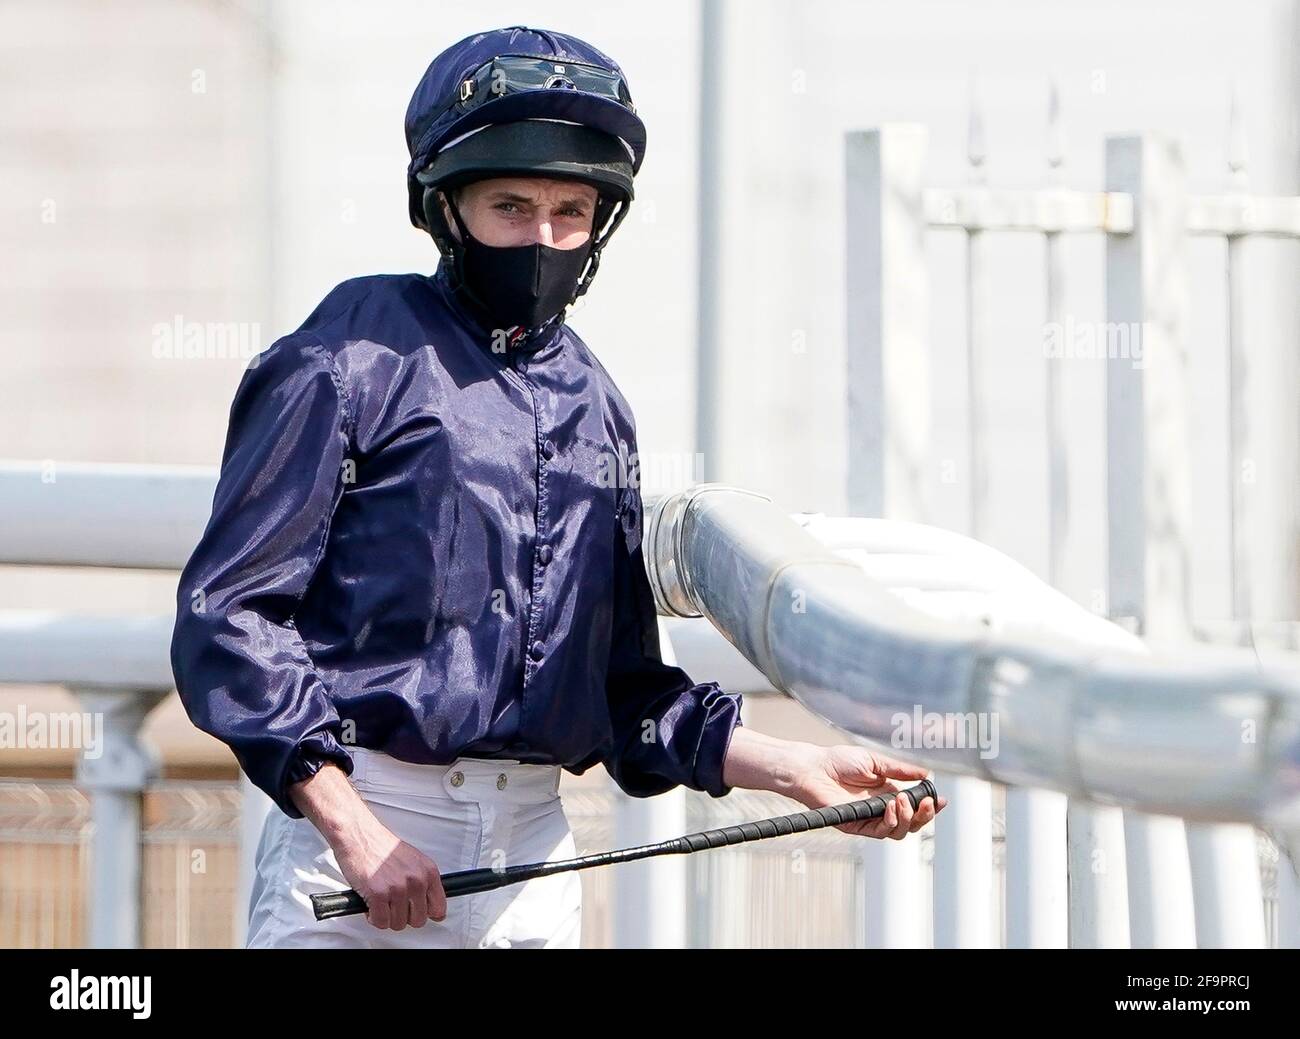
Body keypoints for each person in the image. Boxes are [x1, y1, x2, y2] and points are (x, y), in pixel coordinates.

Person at [170, 25, 945, 950]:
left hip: (534, 865)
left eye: (571, 212)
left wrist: (796, 765)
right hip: (357, 850)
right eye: (511, 205)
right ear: (445, 208)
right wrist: (353, 827)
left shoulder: (598, 406)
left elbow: (621, 690)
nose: (543, 238)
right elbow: (232, 615)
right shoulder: (341, 359)